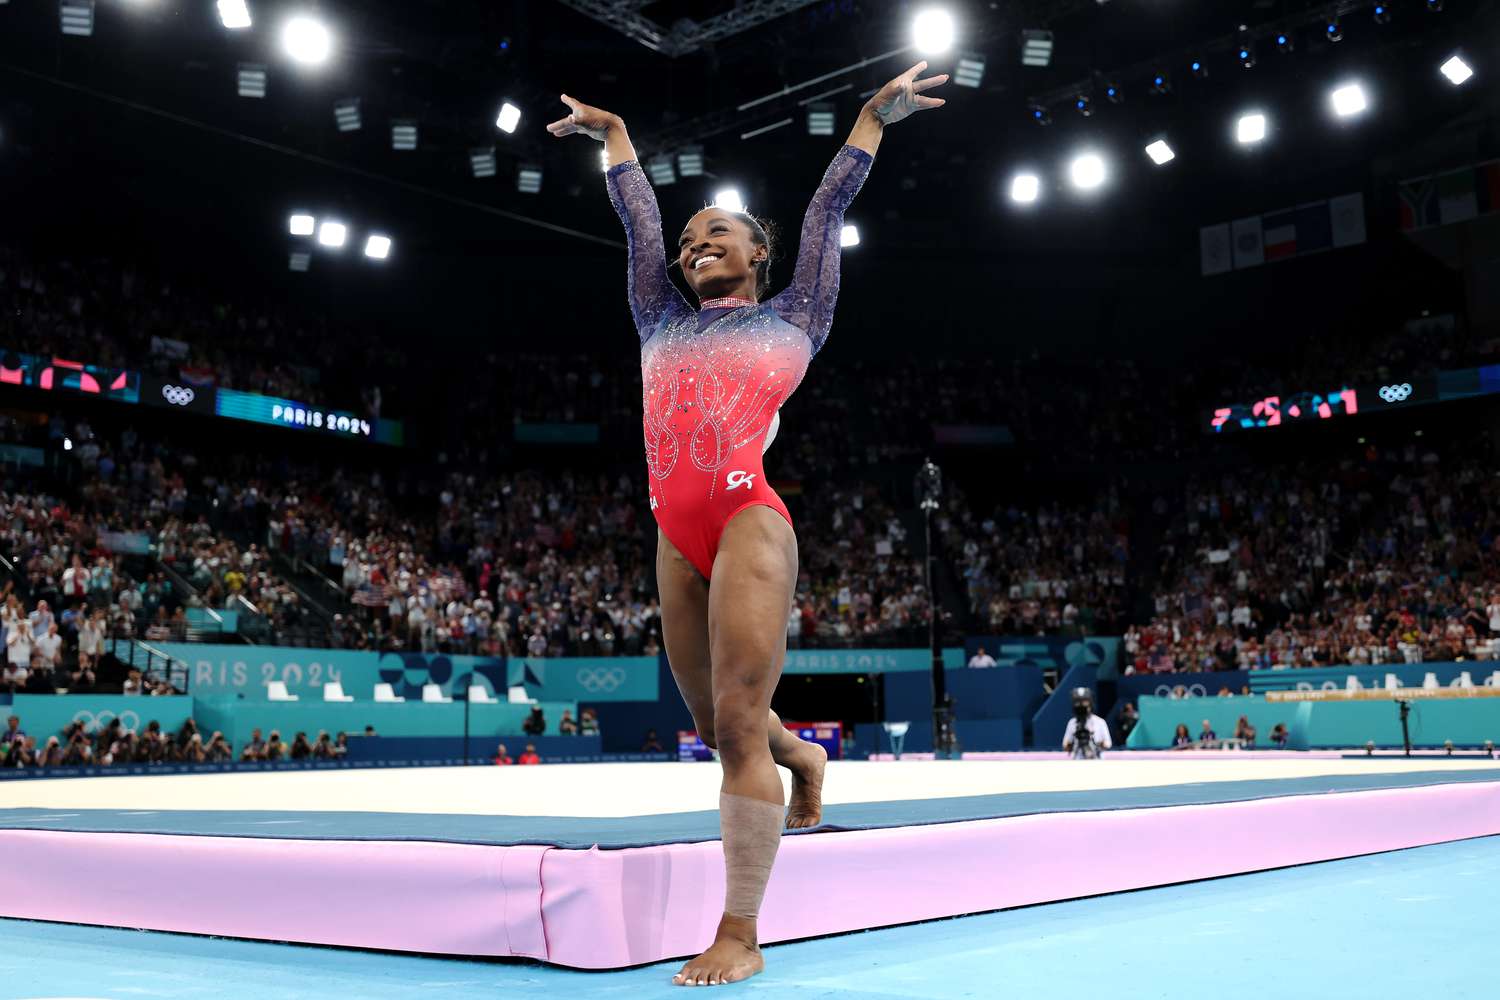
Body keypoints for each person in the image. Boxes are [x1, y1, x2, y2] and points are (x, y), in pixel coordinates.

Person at [549, 59, 947, 988]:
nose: (693, 245)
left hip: (744, 519)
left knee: (733, 724)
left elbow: (823, 215)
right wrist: (615, 140)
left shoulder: (798, 312)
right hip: (671, 532)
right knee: (714, 717)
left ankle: (739, 928)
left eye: (716, 233)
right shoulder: (656, 317)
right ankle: (801, 751)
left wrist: (869, 121)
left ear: (756, 254)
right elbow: (639, 227)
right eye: (690, 240)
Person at [1061, 688, 1111, 759]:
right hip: (1078, 761)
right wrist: (1074, 744)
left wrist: (1095, 744)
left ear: (1090, 703)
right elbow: (1065, 745)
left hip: (1096, 760)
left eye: (1084, 702)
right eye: (1078, 702)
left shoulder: (1100, 722)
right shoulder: (1072, 723)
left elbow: (1108, 744)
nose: (1081, 705)